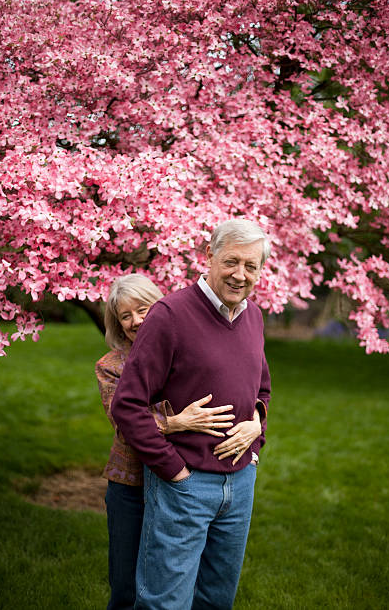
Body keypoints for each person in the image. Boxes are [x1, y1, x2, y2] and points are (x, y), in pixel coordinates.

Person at [111, 218, 271, 610]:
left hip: (240, 483)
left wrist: (256, 430)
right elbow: (127, 405)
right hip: (184, 483)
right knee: (165, 602)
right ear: (209, 257)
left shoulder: (253, 317)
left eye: (251, 266)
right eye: (231, 261)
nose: (240, 274)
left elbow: (261, 389)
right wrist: (174, 471)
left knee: (217, 599)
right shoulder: (170, 315)